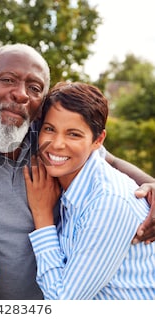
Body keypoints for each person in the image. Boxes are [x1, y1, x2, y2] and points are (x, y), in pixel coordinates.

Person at [0, 43, 155, 300]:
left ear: (41, 103)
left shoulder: (49, 136)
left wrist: (151, 186)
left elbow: (108, 161)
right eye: (8, 79)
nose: (21, 94)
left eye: (34, 88)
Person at [24, 82, 155, 299]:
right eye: (49, 129)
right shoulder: (77, 181)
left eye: (73, 134)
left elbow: (63, 304)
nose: (56, 144)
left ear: (98, 141)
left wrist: (42, 216)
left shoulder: (108, 201)